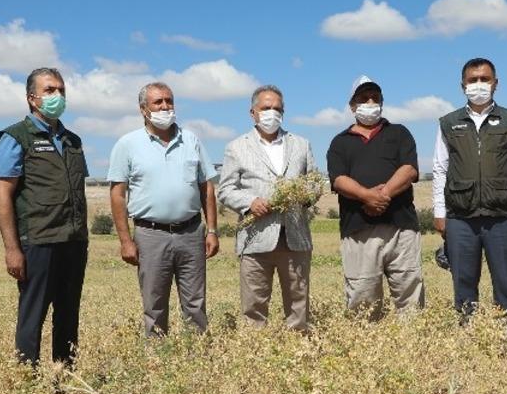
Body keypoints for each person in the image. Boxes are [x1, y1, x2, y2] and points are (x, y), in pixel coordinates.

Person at [0, 68, 90, 365]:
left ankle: (65, 380)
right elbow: (3, 196)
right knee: (32, 316)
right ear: (32, 98)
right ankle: (28, 384)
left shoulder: (73, 140)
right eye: (49, 90)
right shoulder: (16, 137)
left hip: (73, 241)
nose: (57, 96)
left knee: (68, 314)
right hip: (38, 241)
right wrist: (12, 249)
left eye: (61, 90)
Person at [108, 82, 218, 335]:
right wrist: (125, 240)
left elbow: (207, 187)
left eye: (169, 101)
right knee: (154, 304)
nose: (165, 107)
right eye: (158, 102)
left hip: (191, 232)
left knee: (195, 303)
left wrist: (211, 230)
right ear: (143, 109)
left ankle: (196, 355)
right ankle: (158, 360)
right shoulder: (128, 144)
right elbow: (117, 194)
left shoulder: (191, 140)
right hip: (150, 234)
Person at [432, 57, 507, 324]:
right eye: (472, 80)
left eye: (484, 79)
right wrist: (440, 212)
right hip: (460, 216)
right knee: (463, 282)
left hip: (501, 215)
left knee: (506, 281)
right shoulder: (449, 123)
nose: (478, 85)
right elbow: (440, 168)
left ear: (495, 83)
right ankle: (469, 337)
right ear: (462, 85)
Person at [217, 85, 318, 331]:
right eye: (266, 108)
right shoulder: (237, 147)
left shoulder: (301, 144)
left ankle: (297, 350)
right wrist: (250, 203)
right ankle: (256, 352)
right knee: (254, 306)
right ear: (252, 112)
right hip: (255, 238)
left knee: (298, 304)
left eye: (277, 109)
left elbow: (315, 182)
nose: (271, 113)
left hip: (294, 236)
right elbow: (226, 190)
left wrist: (303, 195)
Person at [327, 76, 424, 318]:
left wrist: (384, 195)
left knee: (409, 290)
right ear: (352, 106)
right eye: (363, 99)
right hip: (359, 231)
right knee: (362, 294)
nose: (370, 102)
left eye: (375, 98)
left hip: (401, 228)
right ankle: (366, 348)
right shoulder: (340, 142)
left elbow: (409, 169)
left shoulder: (399, 133)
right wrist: (365, 196)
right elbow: (338, 179)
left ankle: (413, 347)